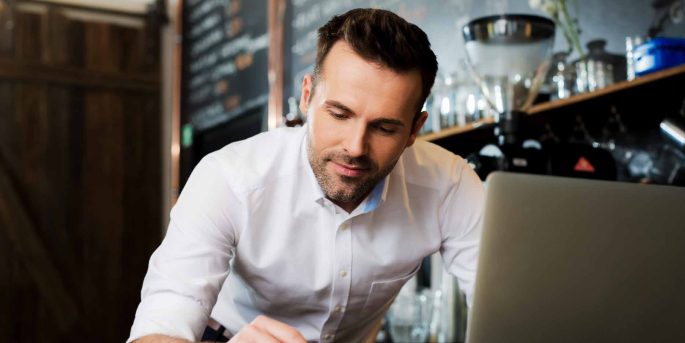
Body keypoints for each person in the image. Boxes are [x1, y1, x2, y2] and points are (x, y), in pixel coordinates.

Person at [128, 8, 485, 343]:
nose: (356, 147)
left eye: (384, 128)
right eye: (340, 114)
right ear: (307, 96)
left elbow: (506, 305)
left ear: (414, 130)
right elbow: (164, 318)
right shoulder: (229, 177)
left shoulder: (450, 186)